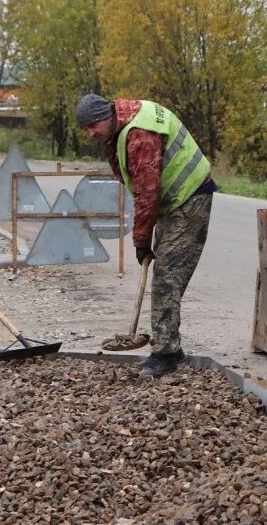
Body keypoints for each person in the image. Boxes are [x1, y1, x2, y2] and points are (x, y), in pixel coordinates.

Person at [75, 94, 216, 377]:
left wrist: (141, 241)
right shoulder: (122, 122)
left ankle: (166, 353)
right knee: (166, 274)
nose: (90, 134)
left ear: (106, 116)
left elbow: (147, 193)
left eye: (92, 126)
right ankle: (170, 346)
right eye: (85, 128)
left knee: (167, 276)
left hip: (190, 196)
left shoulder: (140, 135)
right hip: (175, 200)